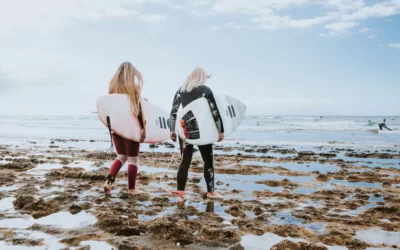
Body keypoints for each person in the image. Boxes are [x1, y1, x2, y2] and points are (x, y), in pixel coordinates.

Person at [169, 67, 224, 201]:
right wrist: (220, 130)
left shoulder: (180, 90)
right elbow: (214, 111)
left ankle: (180, 194)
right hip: (202, 130)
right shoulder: (205, 90)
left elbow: (174, 111)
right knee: (208, 161)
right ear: (201, 77)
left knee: (185, 161)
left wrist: (172, 129)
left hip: (185, 130)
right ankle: (211, 192)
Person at [103, 62, 146, 196]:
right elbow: (138, 110)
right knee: (133, 159)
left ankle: (108, 182)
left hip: (116, 128)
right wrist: (143, 127)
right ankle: (131, 189)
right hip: (130, 129)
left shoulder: (112, 87)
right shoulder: (134, 87)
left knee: (121, 157)